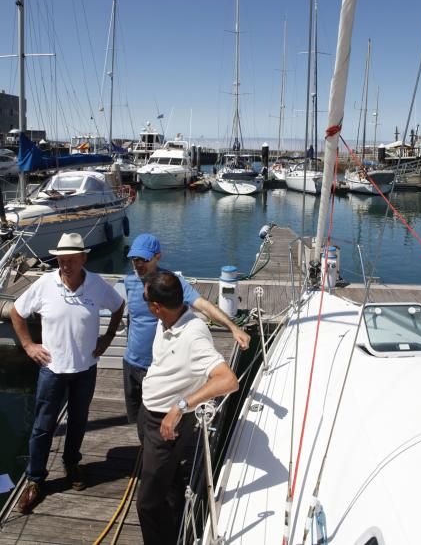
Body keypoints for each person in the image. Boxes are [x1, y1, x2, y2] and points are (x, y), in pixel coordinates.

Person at [11, 232, 125, 514]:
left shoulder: (97, 284)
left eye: (71, 260)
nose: (66, 265)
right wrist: (27, 345)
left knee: (78, 421)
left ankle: (72, 463)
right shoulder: (45, 284)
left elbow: (119, 305)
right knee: (42, 427)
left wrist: (108, 337)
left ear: (83, 258)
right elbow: (16, 311)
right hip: (52, 370)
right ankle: (35, 479)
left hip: (85, 368)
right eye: (62, 260)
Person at [136, 269, 238, 545]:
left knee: (146, 504)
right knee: (166, 483)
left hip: (165, 425)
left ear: (156, 307)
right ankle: (178, 510)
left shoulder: (194, 336)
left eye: (146, 301)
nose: (144, 303)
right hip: (148, 413)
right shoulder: (168, 317)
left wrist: (180, 406)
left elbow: (228, 380)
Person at [122, 233, 249, 423]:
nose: (137, 264)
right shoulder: (128, 281)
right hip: (131, 363)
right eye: (134, 259)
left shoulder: (172, 283)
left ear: (158, 257)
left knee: (158, 419)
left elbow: (202, 305)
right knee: (136, 418)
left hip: (159, 367)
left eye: (143, 259)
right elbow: (133, 317)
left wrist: (233, 327)